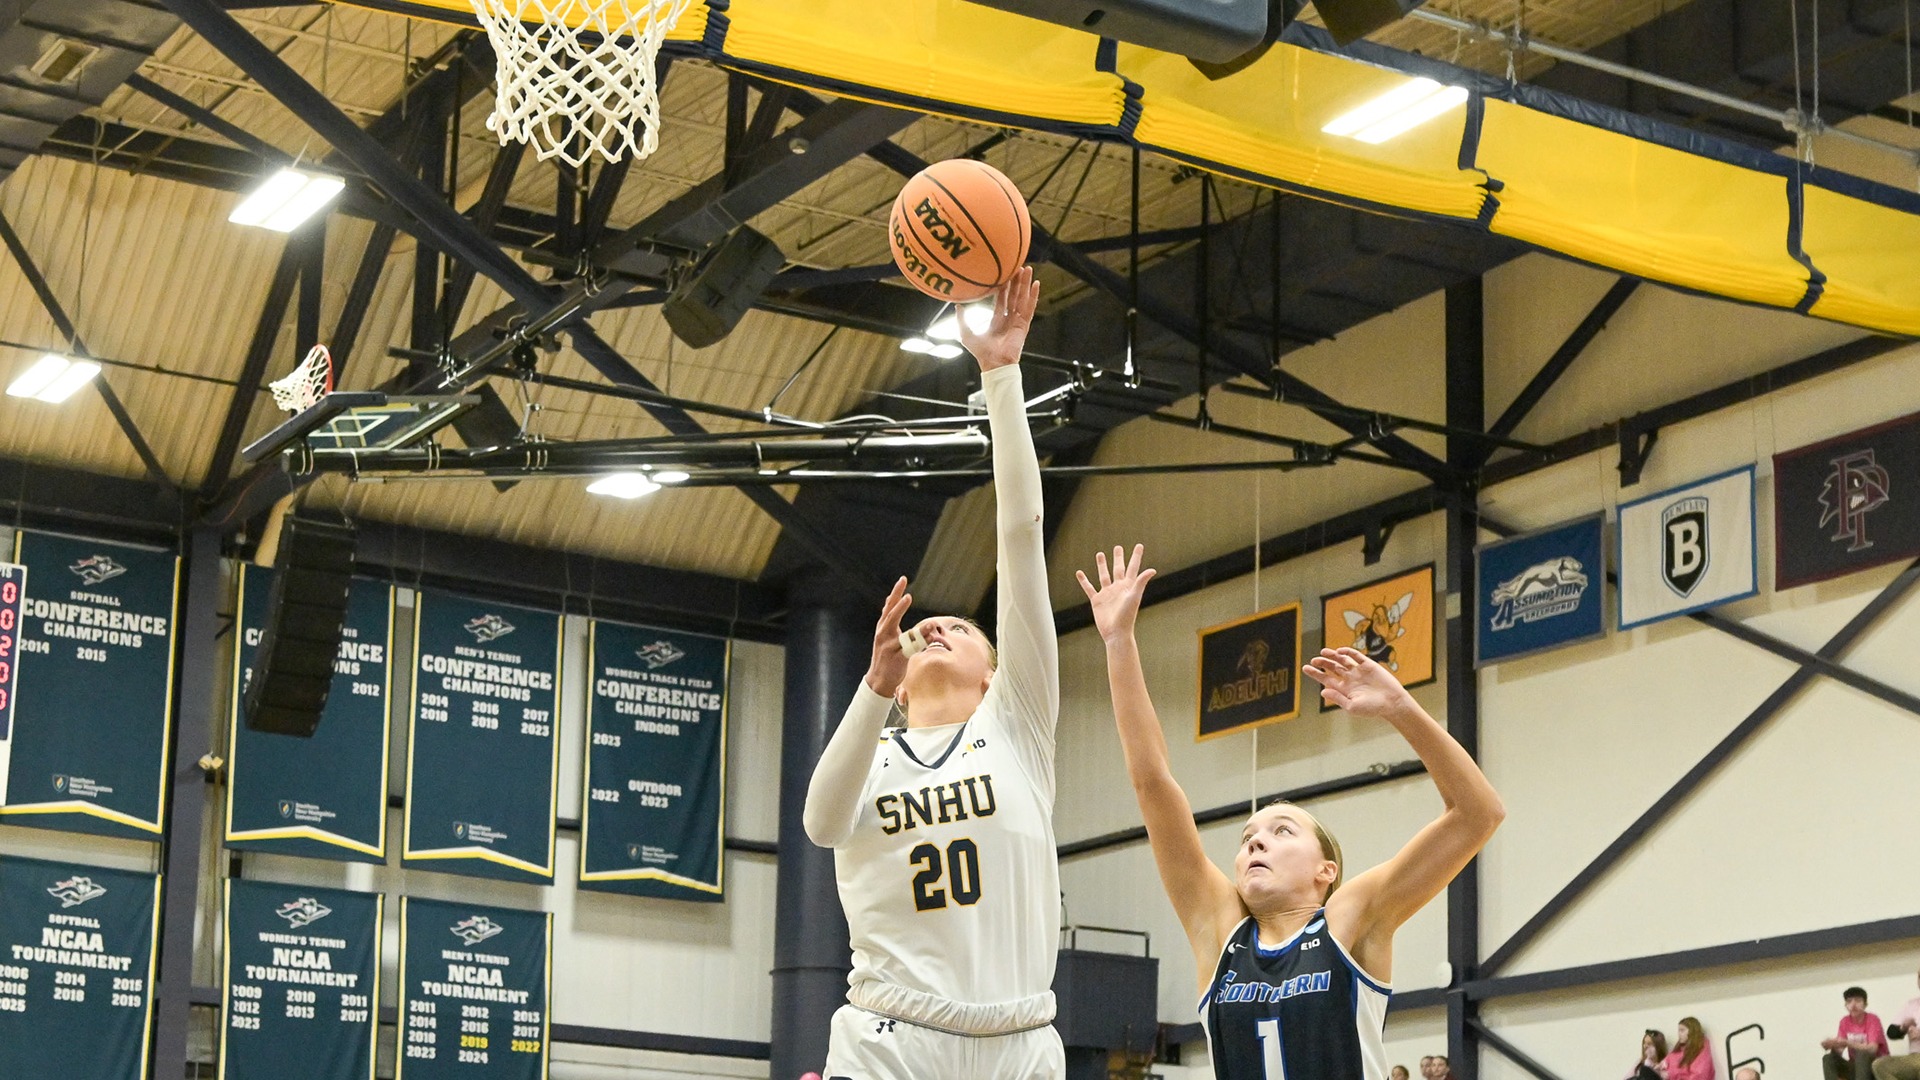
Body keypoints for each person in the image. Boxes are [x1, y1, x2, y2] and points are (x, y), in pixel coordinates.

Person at [1079, 544, 1505, 1080]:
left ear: (1326, 871)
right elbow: (1152, 784)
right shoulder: (1220, 932)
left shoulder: (1352, 918)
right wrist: (1119, 643)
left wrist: (1402, 709)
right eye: (1247, 836)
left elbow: (1478, 813)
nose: (1255, 842)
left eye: (1282, 831)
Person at [803, 269, 1064, 1080]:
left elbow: (1020, 532)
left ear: (996, 673)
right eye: (923, 631)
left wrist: (1002, 376)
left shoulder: (1016, 724)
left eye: (963, 628)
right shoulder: (871, 756)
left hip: (1017, 1040)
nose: (938, 627)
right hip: (892, 1036)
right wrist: (873, 686)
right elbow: (819, 824)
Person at [1824, 986, 1889, 1080]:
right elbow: (1840, 1050)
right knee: (1828, 1058)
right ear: (1845, 1005)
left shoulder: (1872, 1019)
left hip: (1876, 1066)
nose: (1853, 1005)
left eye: (1858, 1001)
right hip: (1855, 1067)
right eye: (1849, 1001)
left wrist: (1847, 1043)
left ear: (1865, 1004)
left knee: (1862, 1054)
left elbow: (1872, 1049)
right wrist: (1832, 1046)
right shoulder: (1844, 1021)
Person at [1874, 968, 1920, 1080]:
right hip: (1914, 1058)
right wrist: (1903, 1028)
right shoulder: (1911, 1005)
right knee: (1880, 1065)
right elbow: (1891, 1032)